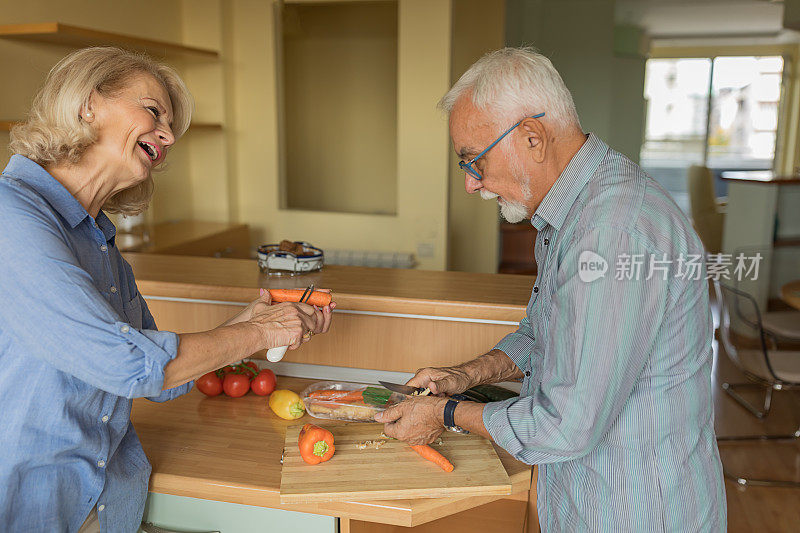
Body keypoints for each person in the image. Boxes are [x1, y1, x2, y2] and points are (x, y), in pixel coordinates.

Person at [375, 47, 726, 531]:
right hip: (593, 499)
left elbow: (566, 424)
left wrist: (447, 413)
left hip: (636, 511)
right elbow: (544, 331)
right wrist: (464, 376)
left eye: (473, 160)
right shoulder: (573, 213)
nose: (471, 185)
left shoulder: (611, 232)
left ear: (533, 138)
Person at [0, 47, 333, 532]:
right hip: (34, 508)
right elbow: (128, 365)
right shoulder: (12, 217)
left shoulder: (97, 238)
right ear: (88, 103)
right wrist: (261, 332)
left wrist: (255, 319)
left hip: (107, 502)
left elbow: (164, 379)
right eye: (154, 112)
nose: (169, 136)